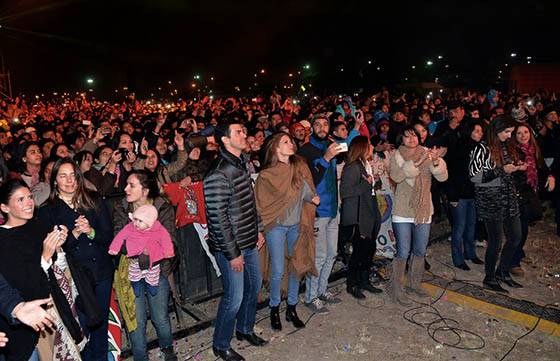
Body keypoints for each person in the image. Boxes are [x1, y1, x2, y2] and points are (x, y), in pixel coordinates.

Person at [0, 179, 87, 361]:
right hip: (25, 327)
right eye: (20, 199)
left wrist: (61, 245)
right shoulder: (3, 240)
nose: (29, 203)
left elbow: (59, 272)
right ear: (5, 207)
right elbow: (24, 289)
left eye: (30, 197)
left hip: (57, 312)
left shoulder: (38, 225)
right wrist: (45, 258)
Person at [38, 158, 113, 361]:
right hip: (75, 279)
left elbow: (108, 237)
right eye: (63, 176)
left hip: (102, 272)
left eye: (72, 175)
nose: (69, 180)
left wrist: (91, 232)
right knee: (81, 329)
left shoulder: (94, 200)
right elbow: (49, 253)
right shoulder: (47, 211)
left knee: (101, 325)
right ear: (55, 181)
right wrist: (74, 235)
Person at [204, 120, 267, 361]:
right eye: (238, 132)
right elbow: (217, 218)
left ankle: (245, 329)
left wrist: (258, 229)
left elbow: (249, 203)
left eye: (244, 130)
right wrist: (233, 254)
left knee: (254, 286)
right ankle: (221, 344)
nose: (244, 134)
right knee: (234, 297)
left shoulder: (240, 164)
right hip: (232, 247)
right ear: (224, 140)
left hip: (248, 240)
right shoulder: (219, 171)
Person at [255, 132, 319, 331]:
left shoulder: (296, 169)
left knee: (296, 267)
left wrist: (312, 199)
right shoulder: (266, 175)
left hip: (296, 225)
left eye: (290, 141)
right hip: (276, 226)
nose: (290, 143)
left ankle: (291, 307)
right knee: (278, 269)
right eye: (285, 141)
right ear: (275, 148)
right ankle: (274, 307)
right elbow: (260, 205)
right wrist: (259, 230)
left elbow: (307, 192)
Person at [112, 170, 178, 361]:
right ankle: (141, 357)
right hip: (130, 272)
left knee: (160, 317)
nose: (125, 189)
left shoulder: (162, 208)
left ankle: (167, 349)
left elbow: (170, 242)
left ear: (145, 190)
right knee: (136, 321)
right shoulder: (122, 208)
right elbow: (119, 239)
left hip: (159, 270)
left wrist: (148, 252)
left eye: (131, 185)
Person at [388, 126, 448, 306]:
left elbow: (442, 178)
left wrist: (436, 162)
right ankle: (396, 288)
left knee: (420, 250)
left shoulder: (428, 153)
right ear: (401, 140)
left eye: (413, 135)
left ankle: (414, 284)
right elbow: (397, 177)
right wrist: (417, 162)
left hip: (423, 208)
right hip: (403, 209)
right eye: (406, 137)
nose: (411, 139)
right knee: (403, 251)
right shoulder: (397, 156)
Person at [469, 115, 523, 292]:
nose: (509, 135)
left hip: (509, 199)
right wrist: (501, 170)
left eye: (511, 132)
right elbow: (475, 177)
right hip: (491, 201)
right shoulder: (482, 148)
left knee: (515, 237)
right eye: (507, 132)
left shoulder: (506, 146)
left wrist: (517, 167)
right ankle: (489, 277)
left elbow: (506, 172)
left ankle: (502, 271)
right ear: (497, 130)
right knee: (495, 241)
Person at [298, 115, 344, 314]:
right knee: (319, 256)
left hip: (333, 208)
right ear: (311, 129)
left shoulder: (331, 146)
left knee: (332, 254)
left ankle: (322, 290)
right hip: (317, 211)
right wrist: (326, 158)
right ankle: (311, 296)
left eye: (325, 124)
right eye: (317, 125)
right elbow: (309, 182)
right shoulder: (306, 151)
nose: (322, 127)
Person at [339, 136, 383, 299]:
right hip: (359, 215)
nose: (372, 147)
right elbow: (345, 192)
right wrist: (366, 184)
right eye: (369, 145)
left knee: (369, 249)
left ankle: (364, 280)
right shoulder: (352, 167)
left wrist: (373, 182)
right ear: (362, 147)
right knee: (359, 252)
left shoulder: (365, 164)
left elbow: (366, 188)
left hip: (369, 210)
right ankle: (352, 283)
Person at [510, 124, 555, 275]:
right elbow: (511, 176)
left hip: (530, 193)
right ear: (514, 136)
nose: (523, 136)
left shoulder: (533, 150)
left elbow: (542, 167)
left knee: (525, 227)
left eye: (526, 132)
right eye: (519, 133)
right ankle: (513, 262)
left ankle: (519, 252)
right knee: (519, 230)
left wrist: (550, 176)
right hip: (518, 195)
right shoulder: (513, 152)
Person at [446, 122, 485, 270]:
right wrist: (453, 197)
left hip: (473, 194)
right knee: (459, 227)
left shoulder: (479, 148)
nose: (479, 133)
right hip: (459, 195)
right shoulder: (459, 147)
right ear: (469, 131)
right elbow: (454, 174)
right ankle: (458, 258)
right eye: (476, 130)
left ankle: (470, 253)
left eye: (481, 131)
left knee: (471, 225)